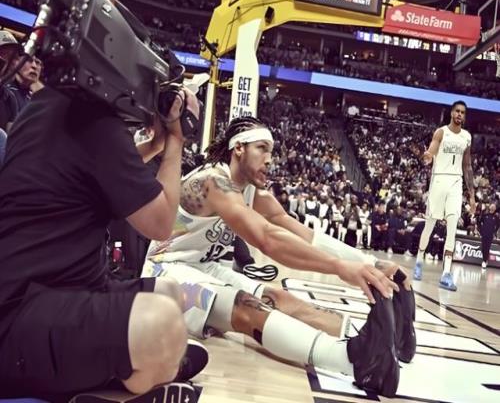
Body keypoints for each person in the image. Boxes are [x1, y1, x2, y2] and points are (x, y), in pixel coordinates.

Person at [143, 116, 416, 398]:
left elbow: (302, 233)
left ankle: (379, 342)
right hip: (163, 271)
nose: (270, 159)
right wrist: (339, 267)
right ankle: (354, 360)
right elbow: (267, 238)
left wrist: (369, 263)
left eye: (271, 151)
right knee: (246, 307)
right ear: (239, 148)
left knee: (278, 296)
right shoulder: (213, 181)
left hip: (202, 266)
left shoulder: (253, 192)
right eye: (262, 148)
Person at [0, 81, 207, 398]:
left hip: (45, 294)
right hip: (21, 322)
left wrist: (155, 145)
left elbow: (100, 165)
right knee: (164, 323)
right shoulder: (98, 124)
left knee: (170, 293)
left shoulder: (45, 106)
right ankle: (125, 381)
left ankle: (125, 367)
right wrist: (176, 141)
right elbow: (161, 223)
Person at [412, 101, 476, 291]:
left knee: (452, 226)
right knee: (430, 225)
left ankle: (446, 273)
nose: (459, 114)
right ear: (451, 113)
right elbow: (432, 149)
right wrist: (427, 156)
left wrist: (472, 195)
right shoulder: (441, 132)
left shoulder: (466, 137)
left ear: (464, 116)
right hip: (439, 181)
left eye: (462, 112)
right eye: (457, 111)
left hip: (456, 183)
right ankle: (419, 260)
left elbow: (467, 166)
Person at [478, 203, 500, 269]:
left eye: (494, 207)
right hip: (484, 234)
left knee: (487, 248)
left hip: (490, 235)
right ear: (490, 207)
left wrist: (494, 231)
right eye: (492, 206)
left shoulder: (496, 217)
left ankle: (484, 261)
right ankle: (485, 259)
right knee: (483, 248)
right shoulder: (485, 215)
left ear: (495, 209)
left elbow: (498, 225)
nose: (492, 207)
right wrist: (481, 230)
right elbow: (479, 222)